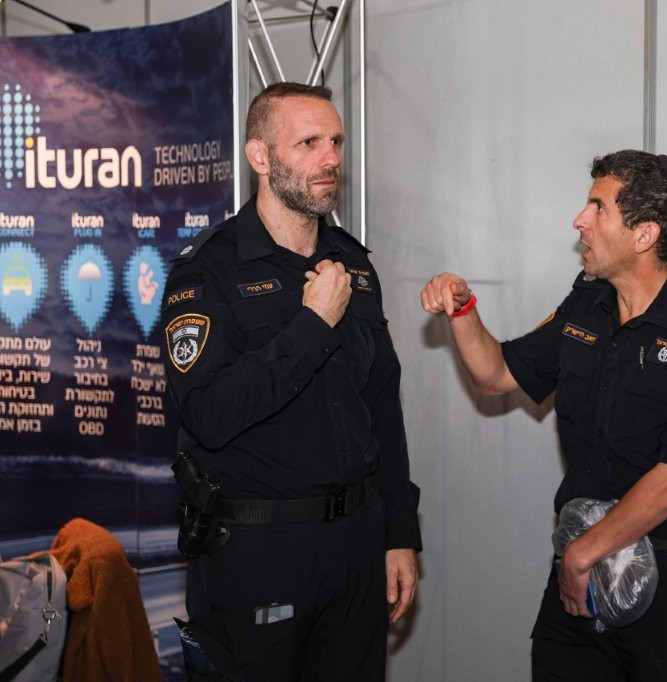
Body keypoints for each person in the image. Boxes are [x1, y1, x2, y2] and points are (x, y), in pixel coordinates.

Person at [421, 150, 667, 681]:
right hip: (580, 580)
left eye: (598, 207)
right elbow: (496, 374)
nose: (579, 220)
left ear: (644, 235)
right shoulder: (587, 305)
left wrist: (580, 556)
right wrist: (462, 310)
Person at [161, 82, 421, 681]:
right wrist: (312, 325)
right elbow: (208, 414)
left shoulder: (354, 265)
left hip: (356, 546)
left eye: (336, 142)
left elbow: (382, 408)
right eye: (308, 143)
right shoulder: (208, 271)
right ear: (260, 156)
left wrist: (398, 534)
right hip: (258, 550)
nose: (330, 158)